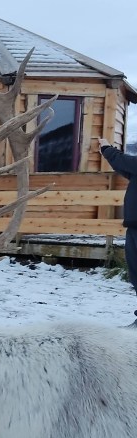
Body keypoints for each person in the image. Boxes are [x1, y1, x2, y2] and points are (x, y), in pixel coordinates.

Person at [99, 136, 137, 325]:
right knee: (135, 274)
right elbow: (125, 167)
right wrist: (109, 153)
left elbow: (124, 162)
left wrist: (107, 149)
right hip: (134, 227)